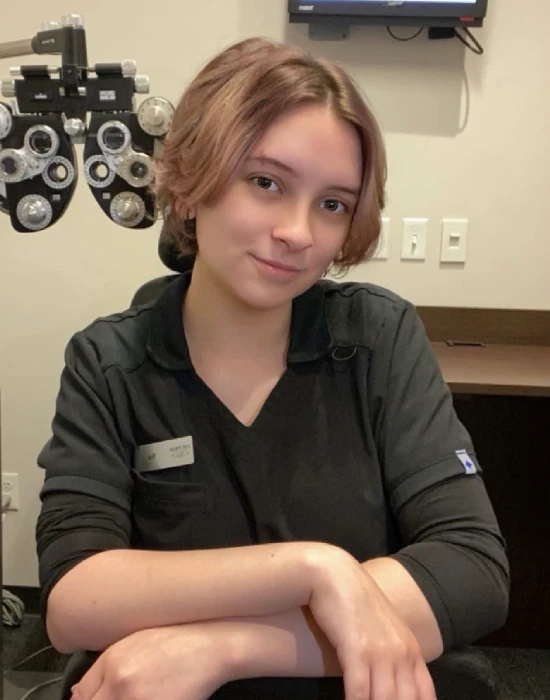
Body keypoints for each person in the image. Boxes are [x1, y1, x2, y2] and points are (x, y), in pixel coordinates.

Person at [35, 37, 509, 700]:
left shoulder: (379, 338)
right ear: (195, 179)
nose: (299, 231)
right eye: (266, 182)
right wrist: (315, 571)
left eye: (332, 203)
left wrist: (224, 648)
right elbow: (74, 601)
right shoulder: (110, 361)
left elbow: (471, 570)